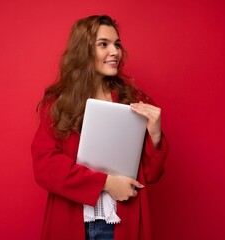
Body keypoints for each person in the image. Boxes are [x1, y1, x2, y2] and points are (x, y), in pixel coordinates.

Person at [31, 15, 168, 240]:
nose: (114, 52)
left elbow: (150, 174)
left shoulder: (134, 100)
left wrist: (155, 134)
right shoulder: (58, 104)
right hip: (73, 219)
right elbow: (45, 166)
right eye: (103, 44)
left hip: (122, 221)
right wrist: (106, 183)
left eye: (117, 44)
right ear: (84, 50)